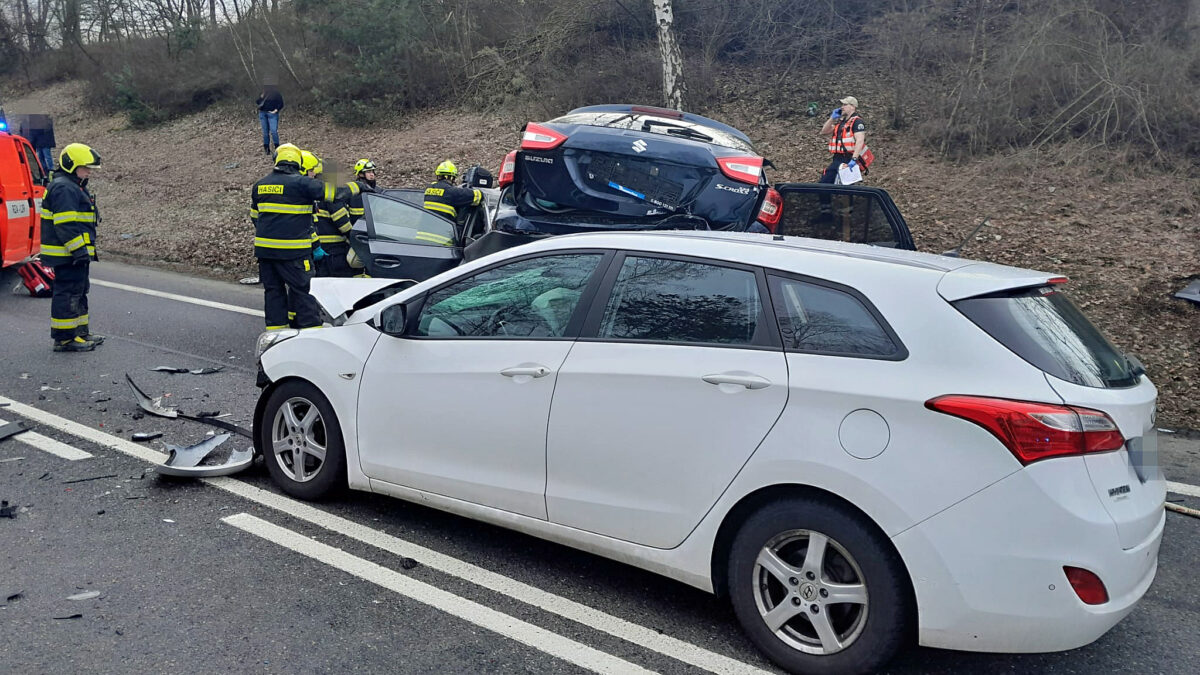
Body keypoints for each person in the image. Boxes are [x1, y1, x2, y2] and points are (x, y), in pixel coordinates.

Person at [250, 144, 341, 331]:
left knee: (273, 293)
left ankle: (277, 334)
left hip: (265, 253)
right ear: (298, 162)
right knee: (305, 291)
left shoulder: (260, 185)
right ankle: (312, 332)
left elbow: (255, 217)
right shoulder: (302, 184)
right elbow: (334, 194)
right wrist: (360, 187)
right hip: (294, 254)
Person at [40, 143, 103, 352]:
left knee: (80, 291)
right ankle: (65, 339)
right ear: (71, 166)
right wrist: (79, 251)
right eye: (85, 168)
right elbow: (66, 225)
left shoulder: (74, 185)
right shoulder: (64, 187)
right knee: (67, 293)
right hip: (67, 254)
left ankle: (80, 332)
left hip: (75, 253)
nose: (88, 172)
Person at [303, 152, 354, 278]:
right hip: (335, 251)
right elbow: (342, 221)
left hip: (315, 248)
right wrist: (354, 238)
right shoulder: (329, 193)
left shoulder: (308, 193)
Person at [818, 96, 867, 183]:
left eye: (845, 105)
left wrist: (854, 159)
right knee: (825, 182)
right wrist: (832, 118)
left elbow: (860, 140)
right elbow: (824, 131)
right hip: (837, 159)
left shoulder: (857, 122)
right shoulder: (841, 122)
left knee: (846, 187)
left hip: (848, 159)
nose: (842, 107)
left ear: (852, 107)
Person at [423, 160, 481, 226]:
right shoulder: (451, 192)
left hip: (423, 232)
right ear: (451, 177)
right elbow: (477, 195)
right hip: (441, 234)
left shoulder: (429, 189)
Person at [255, 84, 284, 156]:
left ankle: (277, 147)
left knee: (274, 131)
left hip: (272, 114)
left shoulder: (276, 93)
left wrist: (276, 110)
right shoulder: (262, 92)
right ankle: (266, 148)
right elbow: (258, 102)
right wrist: (261, 97)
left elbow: (281, 103)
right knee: (265, 132)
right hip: (263, 113)